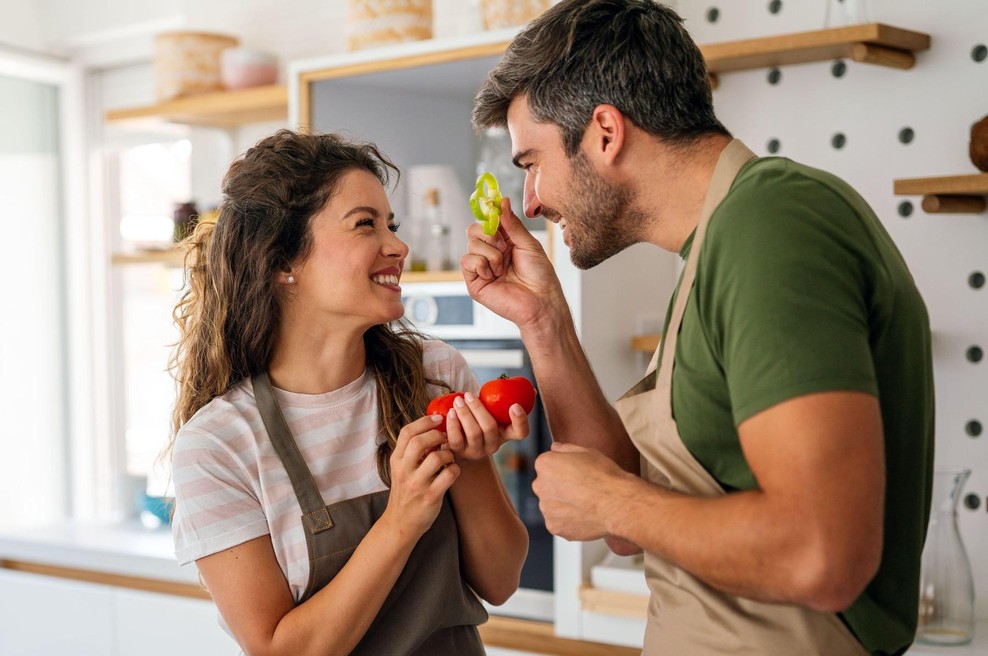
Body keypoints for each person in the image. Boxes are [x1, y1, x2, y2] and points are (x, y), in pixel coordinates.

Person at [461, 1, 935, 655]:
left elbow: (823, 557)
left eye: (531, 163)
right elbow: (636, 523)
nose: (533, 200)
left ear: (605, 133)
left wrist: (615, 503)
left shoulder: (770, 227)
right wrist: (543, 320)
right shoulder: (714, 248)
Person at [167, 129, 529, 656]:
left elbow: (500, 581)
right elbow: (280, 650)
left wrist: (471, 463)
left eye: (392, 225)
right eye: (366, 225)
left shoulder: (437, 375)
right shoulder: (219, 445)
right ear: (282, 261)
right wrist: (402, 519)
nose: (399, 247)